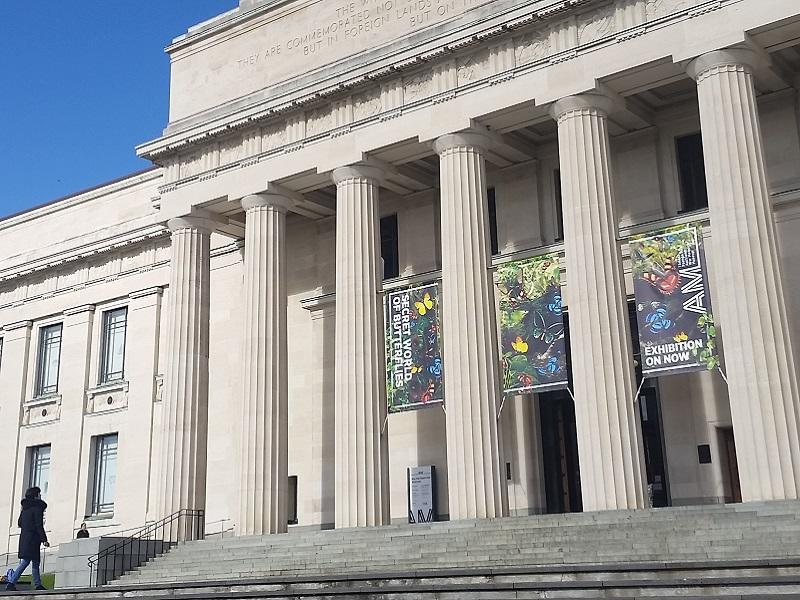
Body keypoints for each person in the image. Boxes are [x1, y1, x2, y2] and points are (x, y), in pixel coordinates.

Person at [5, 487, 49, 592]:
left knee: (35, 561)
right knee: (26, 561)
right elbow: (39, 525)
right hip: (33, 539)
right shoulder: (37, 508)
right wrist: (44, 539)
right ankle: (11, 582)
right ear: (35, 495)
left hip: (25, 538)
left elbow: (19, 523)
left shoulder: (25, 509)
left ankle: (38, 584)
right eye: (39, 494)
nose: (40, 496)